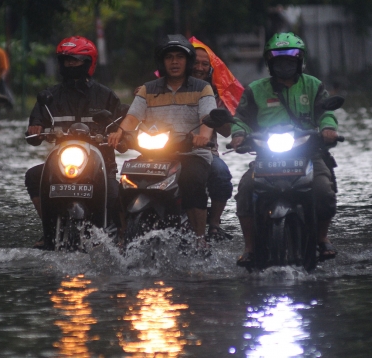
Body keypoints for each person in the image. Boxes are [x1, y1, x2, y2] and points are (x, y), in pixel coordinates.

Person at [229, 32, 340, 266]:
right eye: (279, 61)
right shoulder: (255, 89)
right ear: (270, 64)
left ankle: (322, 238)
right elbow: (240, 117)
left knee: (323, 190)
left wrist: (328, 129)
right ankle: (249, 248)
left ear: (299, 62)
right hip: (267, 157)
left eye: (289, 61)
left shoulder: (313, 85)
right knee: (246, 188)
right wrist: (238, 135)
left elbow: (326, 113)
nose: (284, 66)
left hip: (308, 155)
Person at [108, 34, 217, 240]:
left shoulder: (202, 88)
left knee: (192, 181)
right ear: (162, 61)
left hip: (191, 153)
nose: (174, 62)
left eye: (179, 57)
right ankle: (122, 235)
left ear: (188, 61)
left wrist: (202, 136)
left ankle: (200, 239)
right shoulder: (148, 89)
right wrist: (119, 132)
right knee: (124, 183)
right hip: (154, 155)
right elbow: (132, 117)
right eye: (169, 57)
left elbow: (207, 118)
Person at [25, 36, 121, 248]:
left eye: (75, 60)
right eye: (66, 60)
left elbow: (124, 128)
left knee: (116, 192)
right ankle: (48, 229)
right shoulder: (49, 97)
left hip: (101, 167)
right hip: (63, 166)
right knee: (34, 175)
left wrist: (119, 134)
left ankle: (118, 237)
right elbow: (34, 130)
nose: (70, 64)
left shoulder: (106, 96)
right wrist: (36, 130)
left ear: (88, 63)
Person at [190, 37, 244, 241]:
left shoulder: (214, 93)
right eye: (196, 62)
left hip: (205, 152)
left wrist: (215, 116)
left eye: (205, 64)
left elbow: (226, 131)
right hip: (165, 150)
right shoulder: (161, 89)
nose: (200, 68)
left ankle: (213, 224)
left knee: (221, 175)